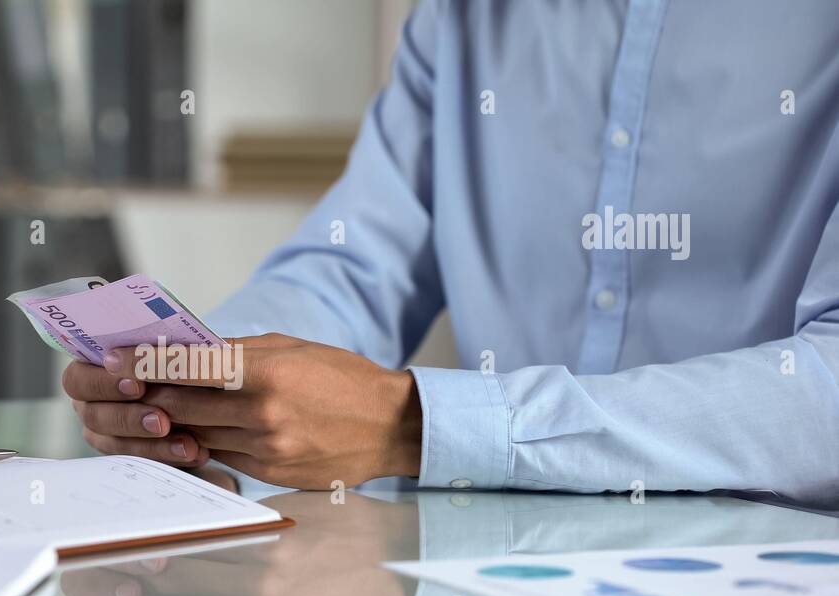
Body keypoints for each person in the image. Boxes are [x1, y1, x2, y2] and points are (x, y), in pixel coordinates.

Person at [64, 0, 839, 508]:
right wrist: (199, 391)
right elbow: (354, 268)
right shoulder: (463, 18)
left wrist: (416, 424)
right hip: (498, 590)